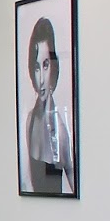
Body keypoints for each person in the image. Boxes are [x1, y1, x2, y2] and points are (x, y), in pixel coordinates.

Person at [20, 16, 75, 195]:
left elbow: (79, 188)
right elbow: (26, 184)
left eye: (45, 65)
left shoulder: (61, 132)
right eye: (37, 67)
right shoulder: (30, 121)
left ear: (53, 66)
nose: (42, 79)